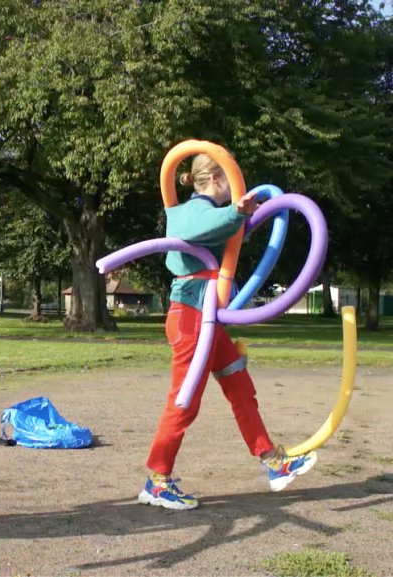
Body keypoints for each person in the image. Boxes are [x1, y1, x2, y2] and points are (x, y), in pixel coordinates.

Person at [138, 152, 318, 511]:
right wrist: (236, 212)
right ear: (219, 179)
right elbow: (196, 228)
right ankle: (157, 480)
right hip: (191, 317)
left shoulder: (215, 214)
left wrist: (243, 216)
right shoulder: (191, 211)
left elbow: (224, 233)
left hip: (210, 319)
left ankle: (273, 462)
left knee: (240, 388)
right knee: (184, 401)